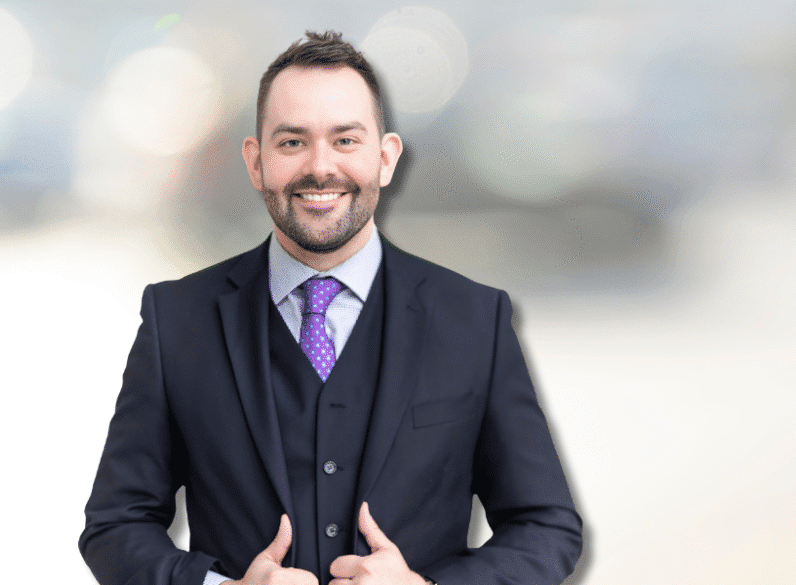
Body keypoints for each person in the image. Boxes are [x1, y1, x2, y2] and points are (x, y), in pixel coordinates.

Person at [79, 30, 582, 585]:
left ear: (386, 158)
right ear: (255, 160)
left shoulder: (473, 320)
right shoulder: (177, 320)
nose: (321, 168)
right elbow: (115, 524)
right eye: (292, 142)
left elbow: (545, 525)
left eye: (346, 140)